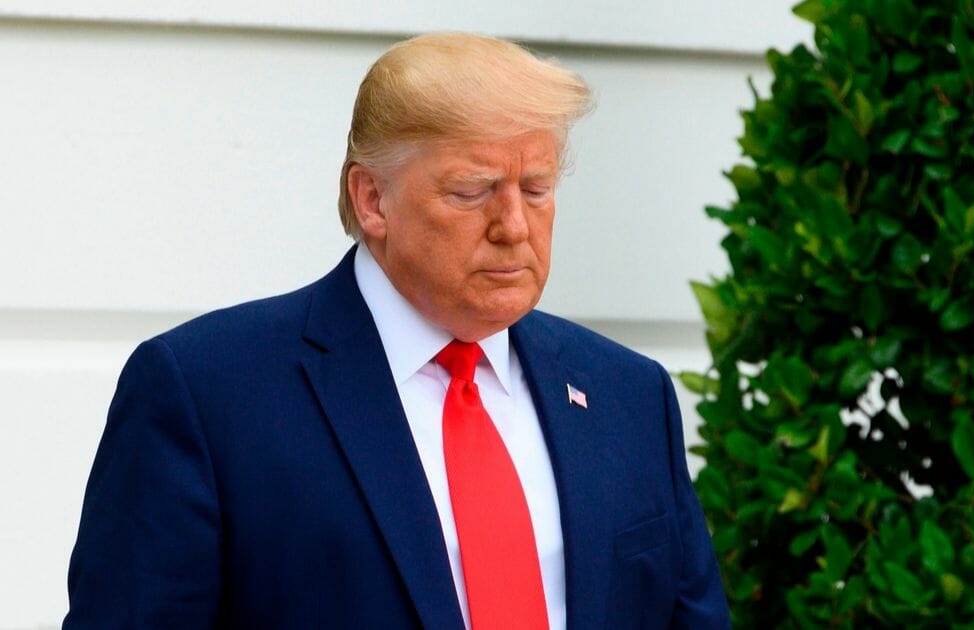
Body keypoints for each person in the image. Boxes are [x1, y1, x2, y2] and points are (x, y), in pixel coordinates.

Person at [64, 32, 730, 629]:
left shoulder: (628, 395)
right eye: (472, 191)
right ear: (372, 199)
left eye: (536, 188)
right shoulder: (207, 395)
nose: (514, 226)